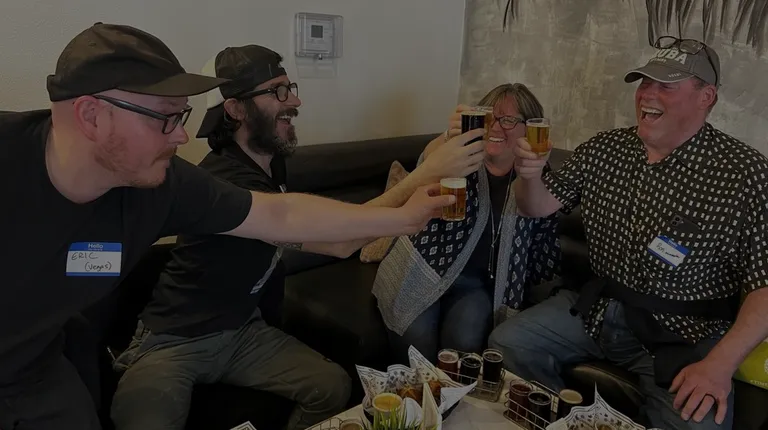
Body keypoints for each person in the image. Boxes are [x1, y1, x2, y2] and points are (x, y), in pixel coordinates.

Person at [0, 23, 457, 430]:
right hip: (170, 341)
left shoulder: (170, 184)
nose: (182, 135)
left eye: (182, 117)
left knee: (333, 385)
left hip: (44, 366)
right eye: (166, 117)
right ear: (91, 115)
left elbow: (282, 215)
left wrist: (407, 216)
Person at [108, 44, 486, 430]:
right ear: (235, 109)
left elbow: (333, 231)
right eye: (278, 91)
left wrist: (442, 148)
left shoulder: (272, 166)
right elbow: (338, 242)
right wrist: (423, 177)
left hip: (242, 330)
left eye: (290, 88)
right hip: (176, 337)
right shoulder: (223, 179)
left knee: (332, 387)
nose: (295, 101)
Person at [489, 37, 768, 430]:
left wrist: (719, 365)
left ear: (706, 96)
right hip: (597, 309)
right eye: (645, 83)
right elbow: (535, 207)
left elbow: (763, 285)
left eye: (666, 85)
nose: (647, 94)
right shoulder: (606, 148)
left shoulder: (745, 174)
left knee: (697, 424)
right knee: (508, 343)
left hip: (684, 332)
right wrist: (529, 176)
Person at [374, 83, 562, 365]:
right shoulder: (462, 155)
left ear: (529, 128)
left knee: (464, 341)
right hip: (425, 268)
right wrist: (447, 137)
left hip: (478, 284)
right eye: (491, 118)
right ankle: (415, 392)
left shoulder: (537, 175)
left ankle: (450, 393)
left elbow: (542, 236)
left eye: (509, 120)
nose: (496, 127)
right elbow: (428, 160)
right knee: (416, 337)